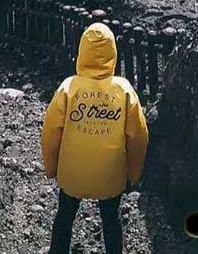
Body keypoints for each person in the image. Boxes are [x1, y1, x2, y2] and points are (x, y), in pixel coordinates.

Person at [41, 22, 149, 254]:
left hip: (72, 174)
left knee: (64, 217)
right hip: (110, 176)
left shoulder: (69, 88)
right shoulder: (124, 90)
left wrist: (51, 168)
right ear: (113, 52)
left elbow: (50, 132)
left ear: (82, 51)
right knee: (111, 221)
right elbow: (138, 137)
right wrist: (134, 173)